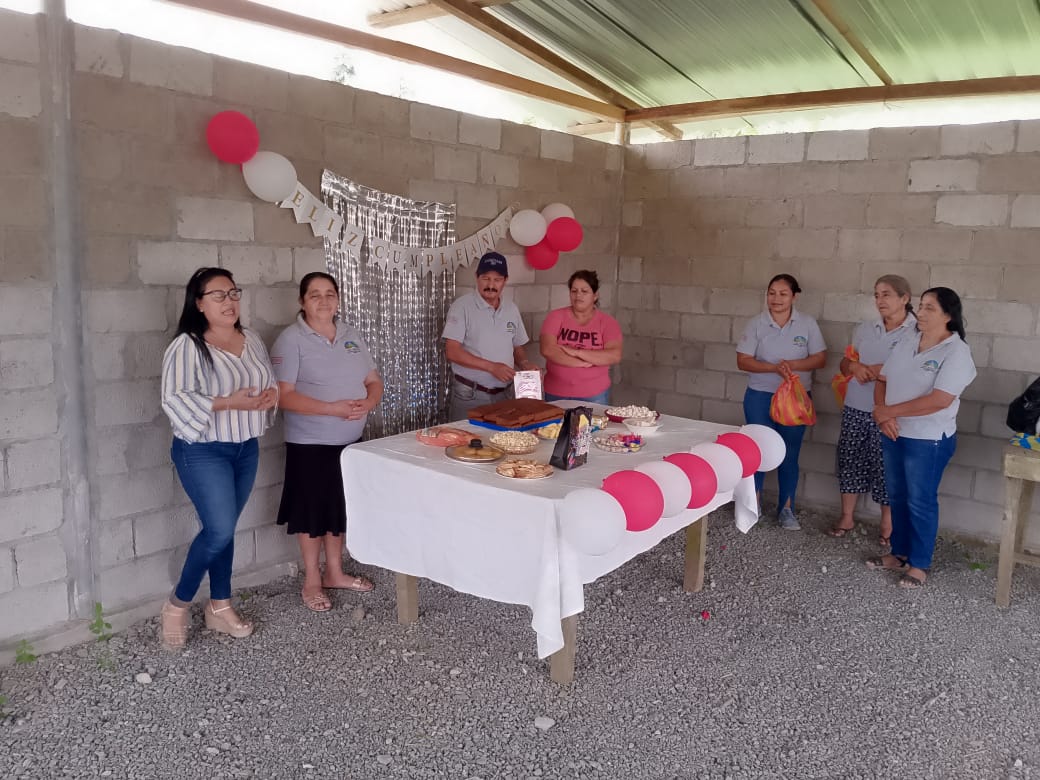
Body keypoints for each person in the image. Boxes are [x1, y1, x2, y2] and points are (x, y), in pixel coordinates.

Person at [159, 267, 278, 649]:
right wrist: (228, 402)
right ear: (199, 303)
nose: (229, 301)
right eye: (218, 295)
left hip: (245, 447)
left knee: (223, 528)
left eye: (233, 293)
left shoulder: (251, 338)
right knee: (220, 530)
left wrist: (270, 396)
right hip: (203, 450)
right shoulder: (188, 346)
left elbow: (268, 380)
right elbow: (174, 398)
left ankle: (220, 606)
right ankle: (177, 604)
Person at [271, 272, 382, 612]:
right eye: (315, 294)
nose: (323, 300)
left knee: (338, 508)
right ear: (302, 301)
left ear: (338, 299)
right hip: (310, 443)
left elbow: (373, 380)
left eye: (330, 293)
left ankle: (335, 571)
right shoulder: (291, 340)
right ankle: (312, 580)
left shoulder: (351, 335)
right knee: (311, 513)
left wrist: (369, 402)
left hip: (349, 442)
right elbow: (283, 395)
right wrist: (331, 409)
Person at [867, 287, 976, 588]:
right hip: (894, 431)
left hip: (927, 439)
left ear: (948, 315)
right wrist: (883, 414)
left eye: (930, 308)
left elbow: (939, 400)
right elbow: (882, 379)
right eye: (921, 306)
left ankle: (920, 563)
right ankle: (899, 553)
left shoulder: (956, 352)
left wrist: (887, 411)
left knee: (920, 501)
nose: (921, 312)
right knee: (897, 495)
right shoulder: (908, 339)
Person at [828, 275, 917, 546]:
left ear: (904, 298)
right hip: (856, 405)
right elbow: (846, 362)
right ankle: (847, 517)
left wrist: (881, 371)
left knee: (886, 467)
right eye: (877, 295)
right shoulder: (866, 328)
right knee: (850, 459)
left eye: (886, 294)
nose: (880, 300)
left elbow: (917, 371)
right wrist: (854, 367)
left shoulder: (916, 332)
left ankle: (887, 525)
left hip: (890, 410)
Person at [736, 273, 826, 530]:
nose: (776, 299)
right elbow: (743, 361)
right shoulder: (756, 323)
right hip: (760, 396)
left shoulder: (807, 324)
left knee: (789, 453)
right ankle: (752, 505)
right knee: (758, 452)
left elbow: (820, 358)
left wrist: (792, 365)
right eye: (772, 293)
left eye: (783, 294)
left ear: (794, 297)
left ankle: (787, 509)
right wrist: (774, 368)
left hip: (795, 400)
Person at [442, 251, 539, 420]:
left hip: (504, 395)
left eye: (497, 279)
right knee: (466, 437)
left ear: (505, 280)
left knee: (502, 436)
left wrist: (524, 364)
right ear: (476, 277)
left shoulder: (511, 309)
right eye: (485, 278)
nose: (491, 285)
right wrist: (492, 367)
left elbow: (517, 346)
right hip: (470, 395)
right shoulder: (462, 307)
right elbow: (452, 351)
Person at [539, 269, 622, 404]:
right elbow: (548, 349)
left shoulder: (608, 322)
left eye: (584, 291)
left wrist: (577, 352)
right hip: (556, 392)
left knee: (594, 420)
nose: (578, 295)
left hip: (594, 394)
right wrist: (582, 362)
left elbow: (614, 355)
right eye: (574, 291)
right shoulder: (555, 317)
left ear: (595, 295)